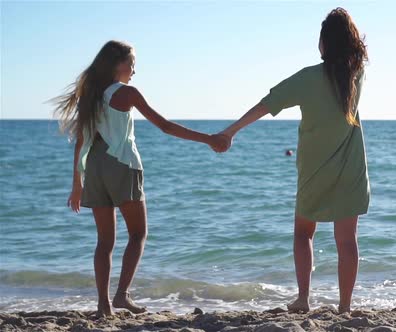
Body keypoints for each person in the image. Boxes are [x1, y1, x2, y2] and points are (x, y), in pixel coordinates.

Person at [51, 40, 227, 317]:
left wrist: (77, 182)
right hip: (122, 164)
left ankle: (103, 305)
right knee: (138, 233)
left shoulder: (91, 95)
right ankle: (122, 295)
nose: (134, 70)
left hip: (95, 166)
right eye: (132, 64)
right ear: (118, 64)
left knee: (104, 242)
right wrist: (208, 139)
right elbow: (166, 126)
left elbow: (82, 140)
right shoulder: (127, 93)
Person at [216, 8, 370, 313]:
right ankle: (345, 306)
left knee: (303, 233)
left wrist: (230, 131)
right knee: (347, 240)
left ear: (324, 42)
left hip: (314, 168)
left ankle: (303, 299)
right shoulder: (357, 74)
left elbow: (266, 104)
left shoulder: (308, 78)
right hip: (351, 167)